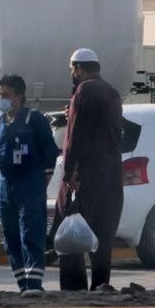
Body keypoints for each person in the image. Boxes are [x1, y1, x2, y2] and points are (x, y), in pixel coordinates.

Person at [54, 48, 124, 291]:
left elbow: (76, 137)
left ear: (78, 68)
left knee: (72, 233)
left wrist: (70, 172)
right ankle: (101, 285)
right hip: (111, 175)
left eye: (72, 69)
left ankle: (74, 288)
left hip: (88, 177)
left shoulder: (84, 90)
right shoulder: (111, 92)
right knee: (103, 238)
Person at [0, 74, 60, 292]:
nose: (1, 99)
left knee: (31, 234)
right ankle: (22, 283)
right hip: (6, 186)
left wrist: (42, 180)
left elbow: (49, 151)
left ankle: (34, 284)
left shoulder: (34, 119)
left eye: (5, 95)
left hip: (29, 184)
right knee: (11, 237)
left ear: (19, 97)